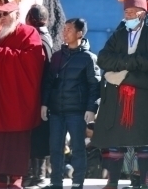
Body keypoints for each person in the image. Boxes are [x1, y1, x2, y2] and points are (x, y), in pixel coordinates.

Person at [93, 0, 148, 189]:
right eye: (127, 12)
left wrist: (124, 68)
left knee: (144, 142)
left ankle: (145, 183)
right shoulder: (117, 36)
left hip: (144, 98)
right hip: (118, 98)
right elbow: (103, 59)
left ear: (143, 14)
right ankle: (112, 182)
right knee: (115, 141)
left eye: (133, 12)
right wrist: (132, 63)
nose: (129, 16)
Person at [0, 1, 46, 188]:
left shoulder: (28, 33)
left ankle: (16, 178)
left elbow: (33, 61)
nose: (3, 18)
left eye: (6, 14)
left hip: (16, 99)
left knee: (16, 140)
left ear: (17, 14)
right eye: (1, 15)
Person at [42, 18, 101, 189]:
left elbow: (95, 86)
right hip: (56, 111)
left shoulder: (89, 58)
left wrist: (91, 109)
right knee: (55, 148)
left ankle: (77, 182)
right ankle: (56, 182)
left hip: (77, 112)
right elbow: (48, 82)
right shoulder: (57, 57)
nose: (64, 33)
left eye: (69, 29)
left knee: (77, 148)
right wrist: (44, 104)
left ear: (79, 33)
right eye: (64, 29)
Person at [24, 4, 54, 188]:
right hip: (44, 92)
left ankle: (35, 175)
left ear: (29, 19)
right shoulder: (47, 37)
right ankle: (36, 175)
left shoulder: (34, 37)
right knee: (39, 132)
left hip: (35, 92)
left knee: (34, 132)